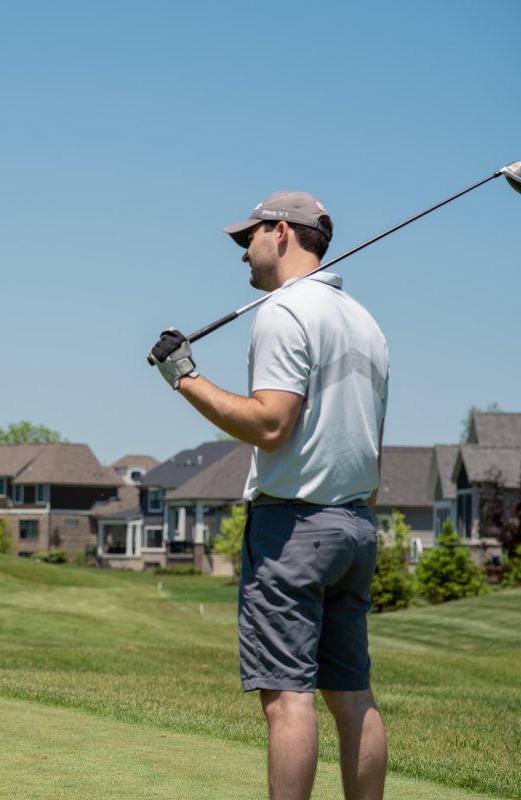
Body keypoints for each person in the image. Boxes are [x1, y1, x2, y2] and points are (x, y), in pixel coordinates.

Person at [148, 192, 389, 800]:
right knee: (352, 695)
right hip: (354, 525)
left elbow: (271, 424)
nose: (243, 255)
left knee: (288, 699)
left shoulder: (284, 312)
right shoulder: (365, 322)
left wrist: (185, 377)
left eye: (248, 238)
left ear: (281, 232)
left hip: (294, 530)